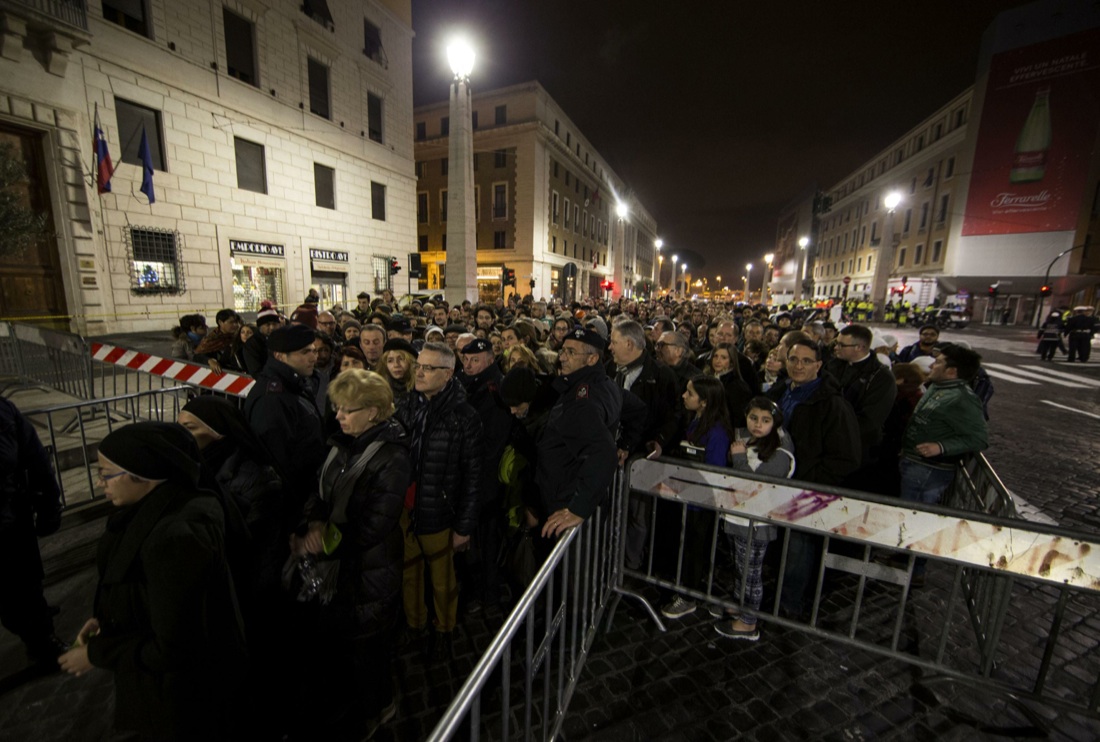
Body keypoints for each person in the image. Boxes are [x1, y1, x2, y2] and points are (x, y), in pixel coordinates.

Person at [58, 423, 246, 740]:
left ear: (142, 474)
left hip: (185, 699)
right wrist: (109, 619)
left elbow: (174, 646)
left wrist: (95, 654)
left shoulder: (174, 536)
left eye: (106, 473)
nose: (99, 482)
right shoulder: (153, 508)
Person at [292, 369, 409, 739]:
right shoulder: (340, 445)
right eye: (337, 408)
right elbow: (319, 491)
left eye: (347, 410)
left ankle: (378, 709)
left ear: (374, 412)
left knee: (368, 651)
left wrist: (324, 539)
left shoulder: (392, 458)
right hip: (341, 569)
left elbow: (374, 524)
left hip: (370, 571)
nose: (338, 416)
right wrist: (312, 522)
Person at [395, 342, 483, 660]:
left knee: (442, 581)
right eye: (418, 365)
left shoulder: (464, 416)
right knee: (410, 574)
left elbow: (474, 476)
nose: (419, 371)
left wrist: (463, 526)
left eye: (428, 368)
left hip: (439, 512)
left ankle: (444, 629)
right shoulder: (408, 405)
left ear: (447, 375)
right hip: (407, 510)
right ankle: (415, 625)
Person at [767, 339, 861, 617]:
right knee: (779, 544)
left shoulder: (831, 403)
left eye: (806, 361)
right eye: (794, 359)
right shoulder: (781, 390)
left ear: (819, 365)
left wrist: (810, 480)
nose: (798, 366)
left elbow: (846, 457)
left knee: (799, 548)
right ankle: (776, 591)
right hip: (776, 483)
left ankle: (790, 603)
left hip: (806, 488)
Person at [714, 397, 795, 641]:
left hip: (757, 522)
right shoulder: (749, 440)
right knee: (740, 568)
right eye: (753, 418)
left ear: (775, 422)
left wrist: (738, 458)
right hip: (738, 517)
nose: (757, 424)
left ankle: (748, 621)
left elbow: (754, 485)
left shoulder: (780, 452)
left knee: (751, 573)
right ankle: (740, 605)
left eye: (765, 420)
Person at [660, 375, 732, 620]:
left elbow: (714, 471)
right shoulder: (696, 422)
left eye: (689, 393)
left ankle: (689, 596)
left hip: (701, 504)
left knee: (694, 550)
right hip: (688, 499)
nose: (683, 396)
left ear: (704, 402)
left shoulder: (717, 432)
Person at [539, 328, 622, 539]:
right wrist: (628, 443)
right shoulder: (603, 384)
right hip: (570, 490)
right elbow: (636, 409)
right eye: (563, 351)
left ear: (592, 358)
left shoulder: (582, 399)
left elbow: (603, 452)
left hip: (567, 497)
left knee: (571, 569)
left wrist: (578, 508)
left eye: (571, 352)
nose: (562, 358)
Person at [0, 397, 65, 665]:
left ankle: (40, 638)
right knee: (22, 590)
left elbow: (35, 459)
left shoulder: (4, 411)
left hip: (10, 524)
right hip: (9, 524)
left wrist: (48, 504)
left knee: (24, 588)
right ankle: (40, 638)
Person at [245, 324, 327, 532]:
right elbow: (277, 464)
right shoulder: (272, 400)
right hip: (291, 510)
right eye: (305, 352)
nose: (313, 357)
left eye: (314, 350)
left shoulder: (293, 385)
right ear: (280, 356)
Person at [824, 324, 897, 494]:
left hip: (859, 451)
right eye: (837, 343)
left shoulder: (881, 378)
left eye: (842, 345)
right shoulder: (833, 365)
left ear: (860, 347)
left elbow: (871, 419)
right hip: (828, 446)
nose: (836, 347)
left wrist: (837, 432)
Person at [709, 342, 753, 428]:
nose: (718, 361)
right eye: (715, 356)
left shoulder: (737, 386)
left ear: (732, 361)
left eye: (723, 358)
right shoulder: (710, 378)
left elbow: (738, 418)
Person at [194, 309, 243, 373]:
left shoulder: (241, 335)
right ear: (220, 322)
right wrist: (209, 360)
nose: (235, 325)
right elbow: (198, 356)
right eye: (231, 322)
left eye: (236, 322)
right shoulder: (211, 339)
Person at [243, 302, 282, 376]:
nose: (272, 327)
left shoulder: (283, 339)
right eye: (268, 324)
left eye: (274, 324)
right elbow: (256, 370)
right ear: (260, 326)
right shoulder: (252, 344)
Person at [380, 337, 417, 403]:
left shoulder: (421, 390)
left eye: (401, 359)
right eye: (390, 360)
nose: (396, 365)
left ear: (411, 361)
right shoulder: (380, 391)